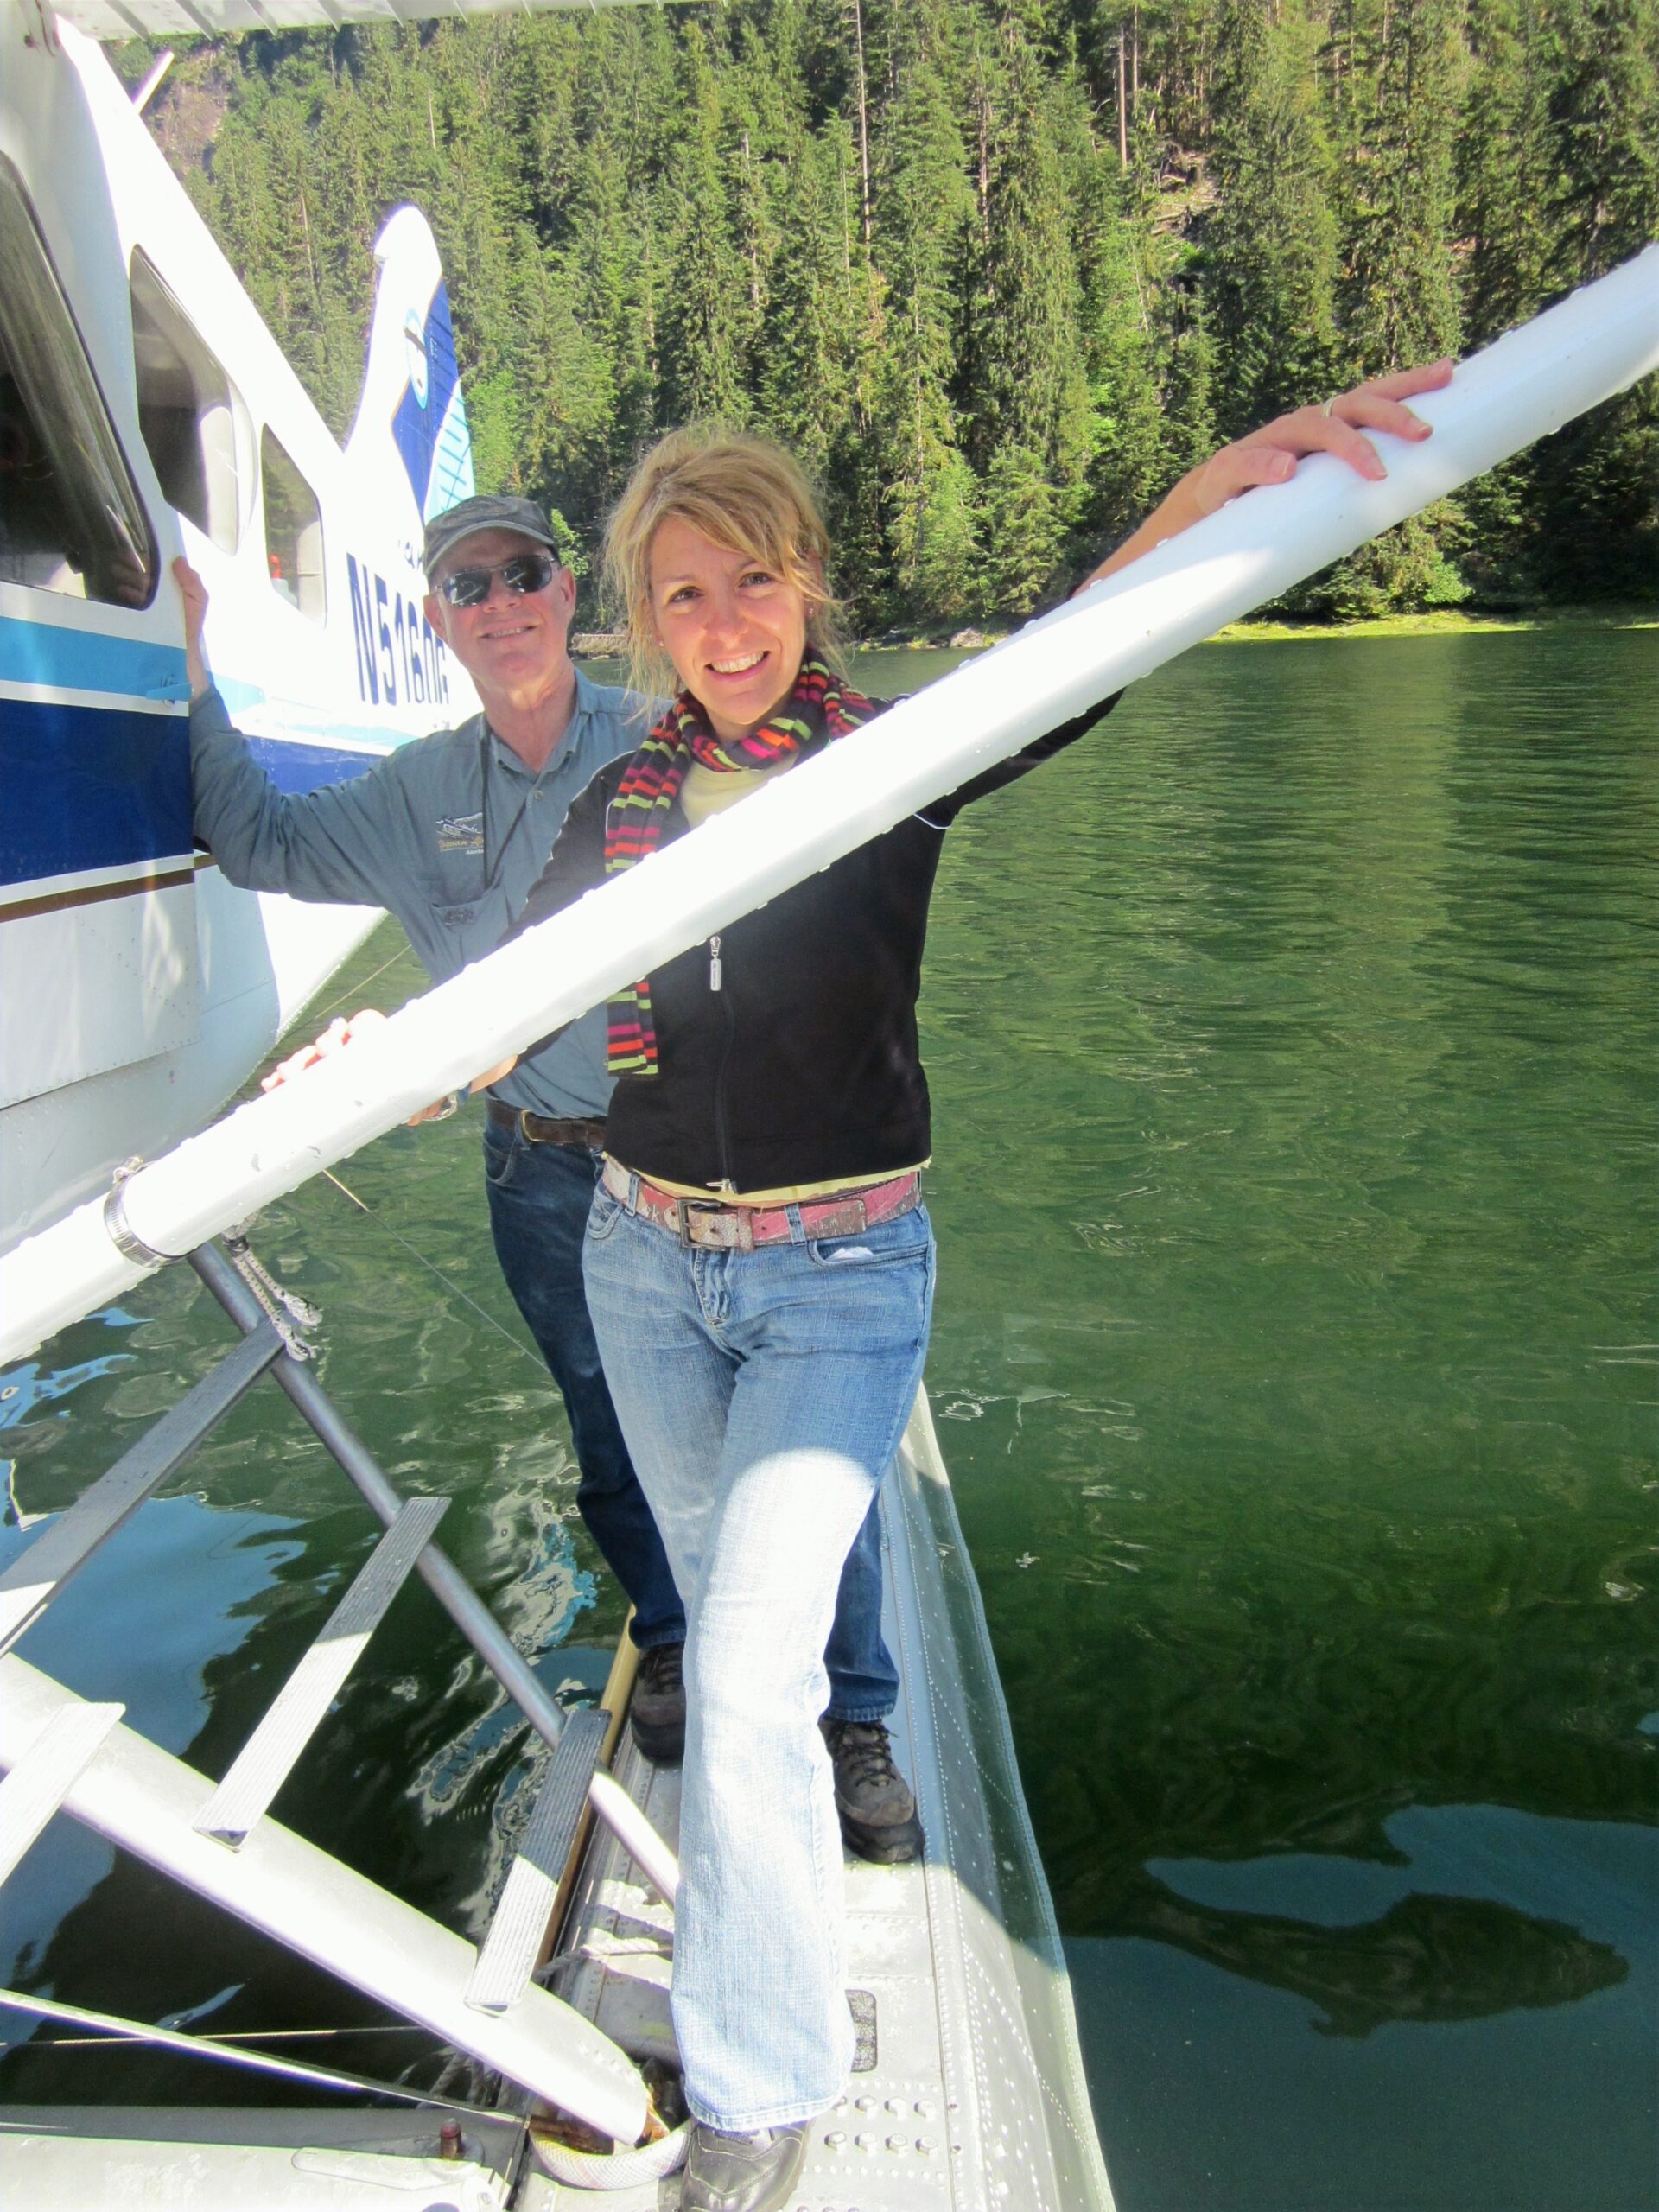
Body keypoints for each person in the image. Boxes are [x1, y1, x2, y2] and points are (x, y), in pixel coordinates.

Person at [466, 360, 1452, 2212]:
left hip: (840, 1279)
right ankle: (773, 1924)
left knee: (748, 1683)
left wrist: (1224, 478)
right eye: (684, 592)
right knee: (725, 1640)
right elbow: (508, 994)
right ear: (641, 619)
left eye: (753, 578)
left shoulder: (886, 766)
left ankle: (762, 2086)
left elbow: (1080, 644)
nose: (726, 622)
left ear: (810, 579)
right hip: (642, 1262)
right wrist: (359, 1050)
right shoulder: (619, 803)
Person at [177, 495, 919, 1858]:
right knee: (610, 1444)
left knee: (800, 1456)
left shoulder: (659, 745)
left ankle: (857, 1712)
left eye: (524, 574)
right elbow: (261, 845)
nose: (501, 602)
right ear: (438, 618)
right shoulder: (413, 794)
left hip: (693, 1170)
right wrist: (192, 675)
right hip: (535, 1169)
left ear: (569, 591)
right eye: (469, 585)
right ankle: (683, 1641)